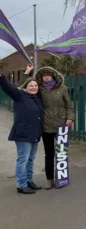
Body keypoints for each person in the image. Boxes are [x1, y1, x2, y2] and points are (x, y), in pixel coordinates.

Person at [27, 65, 75, 190]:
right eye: (44, 75)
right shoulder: (39, 89)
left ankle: (61, 178)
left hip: (62, 124)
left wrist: (70, 118)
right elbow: (24, 88)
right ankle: (49, 179)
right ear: (41, 78)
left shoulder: (63, 88)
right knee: (49, 153)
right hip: (46, 124)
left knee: (61, 153)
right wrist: (27, 73)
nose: (46, 76)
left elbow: (69, 105)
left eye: (48, 74)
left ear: (53, 75)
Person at [0, 65, 43, 194]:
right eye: (31, 86)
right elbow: (9, 87)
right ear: (25, 87)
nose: (34, 87)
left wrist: (27, 72)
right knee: (23, 159)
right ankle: (21, 184)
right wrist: (1, 77)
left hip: (35, 134)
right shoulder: (19, 96)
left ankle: (29, 180)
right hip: (23, 134)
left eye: (35, 85)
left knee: (30, 159)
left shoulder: (37, 99)